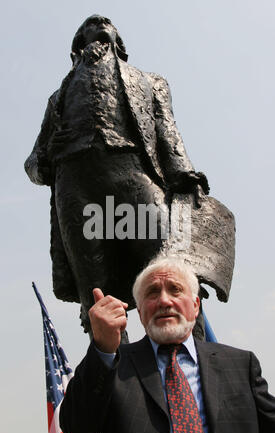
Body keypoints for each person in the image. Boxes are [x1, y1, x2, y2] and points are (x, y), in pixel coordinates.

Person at [24, 15, 209, 336]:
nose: (97, 23)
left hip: (133, 178)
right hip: (76, 189)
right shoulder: (58, 98)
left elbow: (167, 131)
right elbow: (33, 165)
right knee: (96, 296)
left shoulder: (149, 82)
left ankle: (202, 361)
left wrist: (183, 173)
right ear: (78, 48)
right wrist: (49, 153)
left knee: (171, 272)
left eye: (104, 25)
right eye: (86, 28)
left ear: (118, 44)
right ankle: (113, 378)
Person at [59, 254, 275, 433]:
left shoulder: (239, 364)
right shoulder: (113, 366)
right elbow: (77, 428)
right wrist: (103, 347)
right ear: (141, 312)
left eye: (175, 289)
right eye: (152, 292)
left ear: (195, 305)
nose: (164, 300)